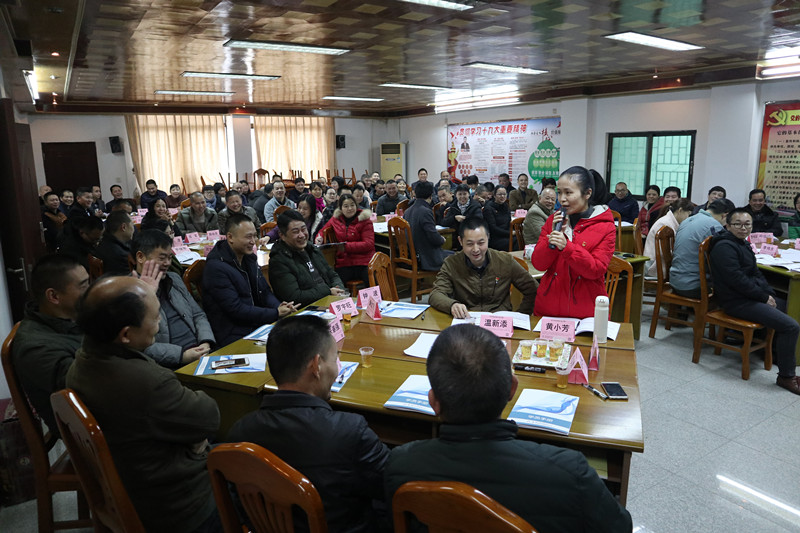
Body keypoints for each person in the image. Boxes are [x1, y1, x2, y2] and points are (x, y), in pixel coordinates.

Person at [385, 324, 633, 532]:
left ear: (433, 401)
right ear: (512, 389)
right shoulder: (571, 472)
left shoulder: (400, 465)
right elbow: (620, 528)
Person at [66, 276, 222, 533]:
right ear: (126, 334)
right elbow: (210, 417)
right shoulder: (147, 381)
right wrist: (195, 442)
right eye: (156, 317)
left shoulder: (82, 360)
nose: (160, 323)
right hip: (180, 507)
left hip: (136, 483)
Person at [227, 315, 389, 532]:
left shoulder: (239, 434)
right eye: (336, 358)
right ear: (316, 365)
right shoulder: (349, 431)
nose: (338, 367)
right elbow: (392, 482)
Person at [709, 208, 800, 395]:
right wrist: (763, 297)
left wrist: (769, 294)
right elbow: (737, 280)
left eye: (747, 224)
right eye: (738, 224)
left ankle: (776, 354)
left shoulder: (742, 243)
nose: (743, 228)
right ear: (728, 225)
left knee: (788, 306)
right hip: (735, 301)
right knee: (791, 326)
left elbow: (755, 273)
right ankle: (786, 376)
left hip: (747, 297)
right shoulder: (724, 247)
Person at [11, 255, 89, 435]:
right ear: (54, 296)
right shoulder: (34, 346)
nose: (91, 291)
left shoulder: (71, 317)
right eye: (83, 286)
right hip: (89, 431)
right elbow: (88, 386)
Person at [531, 166, 615, 318]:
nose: (562, 199)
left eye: (568, 193)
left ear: (587, 193)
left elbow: (596, 270)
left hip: (586, 313)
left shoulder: (605, 226)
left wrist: (567, 247)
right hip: (549, 308)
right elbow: (538, 264)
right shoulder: (554, 220)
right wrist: (552, 236)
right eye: (559, 192)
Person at [203, 213, 296, 346]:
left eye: (255, 235)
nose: (253, 241)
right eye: (248, 237)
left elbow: (265, 292)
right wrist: (275, 313)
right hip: (233, 332)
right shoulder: (216, 268)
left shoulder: (248, 258)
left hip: (257, 324)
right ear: (230, 237)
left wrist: (278, 307)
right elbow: (236, 310)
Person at [132, 230, 215, 367]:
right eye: (162, 258)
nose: (167, 263)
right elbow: (139, 346)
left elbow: (198, 314)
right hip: (171, 364)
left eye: (170, 257)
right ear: (140, 257)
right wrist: (182, 356)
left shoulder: (174, 279)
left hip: (201, 351)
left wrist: (205, 341)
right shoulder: (130, 292)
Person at [430, 218, 537, 317]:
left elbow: (533, 288)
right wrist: (452, 305)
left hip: (499, 321)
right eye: (470, 244)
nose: (476, 249)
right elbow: (436, 294)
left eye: (481, 243)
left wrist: (521, 315)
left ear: (488, 238)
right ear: (460, 241)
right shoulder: (452, 263)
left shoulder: (505, 261)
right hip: (467, 319)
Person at [269, 210, 347, 307]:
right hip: (308, 309)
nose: (302, 235)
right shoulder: (279, 261)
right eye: (295, 232)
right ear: (282, 235)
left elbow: (332, 274)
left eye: (303, 229)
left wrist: (338, 289)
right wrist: (328, 291)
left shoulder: (311, 248)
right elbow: (295, 297)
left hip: (329, 301)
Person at [670, 198, 734, 298]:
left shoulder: (688, 220)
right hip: (694, 286)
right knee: (734, 287)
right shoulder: (714, 226)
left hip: (675, 281)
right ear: (725, 215)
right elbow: (722, 259)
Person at [317, 195, 375, 287]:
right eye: (346, 206)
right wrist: (319, 237)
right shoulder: (336, 219)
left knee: (371, 279)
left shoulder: (364, 220)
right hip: (344, 262)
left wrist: (346, 247)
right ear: (341, 208)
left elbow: (369, 244)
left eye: (352, 205)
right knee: (333, 281)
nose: (350, 208)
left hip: (363, 261)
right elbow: (322, 230)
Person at [642, 198, 695, 277]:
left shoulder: (671, 222)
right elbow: (665, 253)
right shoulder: (665, 224)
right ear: (680, 210)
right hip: (654, 266)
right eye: (688, 214)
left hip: (660, 263)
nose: (688, 218)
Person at [403, 181, 449, 271]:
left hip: (412, 256)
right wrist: (442, 240)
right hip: (426, 258)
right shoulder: (426, 211)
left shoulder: (407, 211)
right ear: (431, 195)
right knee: (458, 257)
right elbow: (433, 237)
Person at [93, 210, 135, 274]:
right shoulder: (120, 255)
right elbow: (127, 279)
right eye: (132, 224)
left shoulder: (104, 241)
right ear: (123, 227)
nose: (133, 229)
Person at [483, 186, 511, 251]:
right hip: (495, 238)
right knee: (516, 241)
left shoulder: (506, 206)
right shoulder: (488, 208)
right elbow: (493, 228)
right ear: (494, 195)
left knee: (521, 238)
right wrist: (509, 233)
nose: (502, 196)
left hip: (506, 235)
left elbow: (508, 222)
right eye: (500, 194)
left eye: (504, 194)